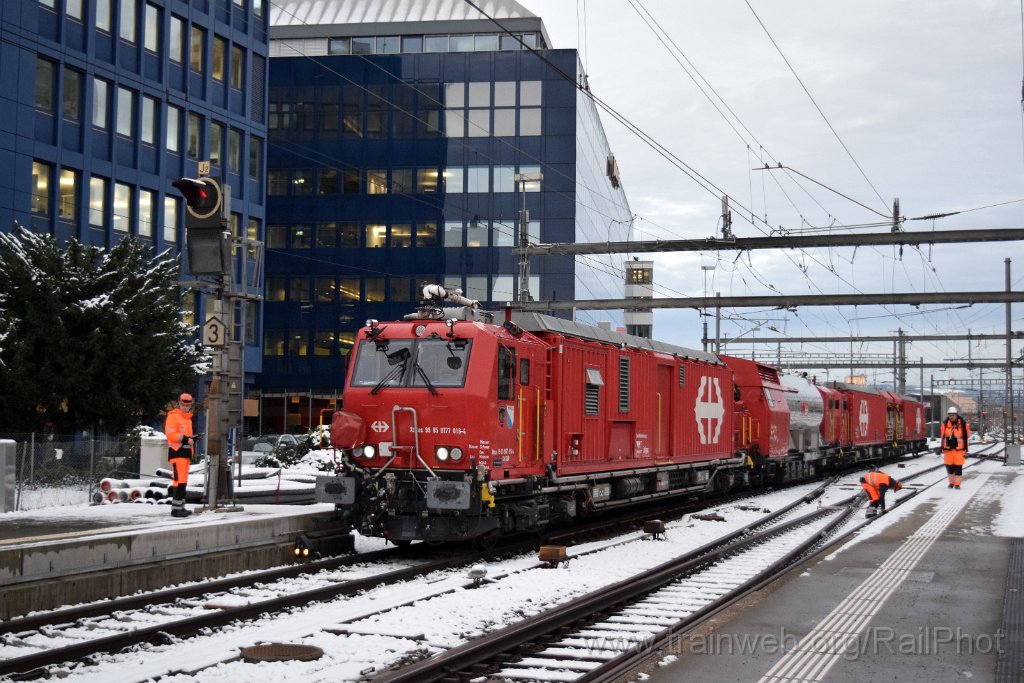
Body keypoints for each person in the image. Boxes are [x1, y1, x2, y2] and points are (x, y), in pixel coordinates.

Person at [164, 393, 196, 518]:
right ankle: (176, 510)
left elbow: (186, 438)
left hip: (185, 454)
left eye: (187, 405)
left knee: (183, 482)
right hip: (177, 453)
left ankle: (180, 507)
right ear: (179, 404)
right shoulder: (173, 417)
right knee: (179, 481)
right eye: (183, 405)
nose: (185, 407)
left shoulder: (187, 419)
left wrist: (192, 439)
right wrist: (187, 439)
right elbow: (171, 435)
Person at [940, 406, 970, 489]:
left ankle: (957, 484)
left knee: (958, 467)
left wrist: (961, 442)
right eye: (950, 415)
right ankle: (951, 483)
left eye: (953, 415)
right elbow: (942, 436)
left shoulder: (963, 424)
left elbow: (967, 434)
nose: (951, 417)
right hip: (948, 450)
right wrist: (941, 447)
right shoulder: (944, 424)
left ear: (956, 415)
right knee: (949, 467)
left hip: (959, 450)